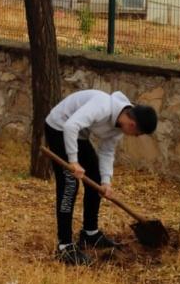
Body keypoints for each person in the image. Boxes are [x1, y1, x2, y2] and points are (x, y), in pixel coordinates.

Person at [44, 89, 158, 266]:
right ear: (133, 125)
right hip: (59, 126)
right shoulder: (103, 106)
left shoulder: (118, 127)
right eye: (137, 134)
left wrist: (106, 181)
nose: (134, 137)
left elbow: (106, 151)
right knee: (69, 185)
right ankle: (64, 246)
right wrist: (73, 162)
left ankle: (90, 233)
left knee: (95, 179)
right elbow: (70, 126)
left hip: (78, 133)